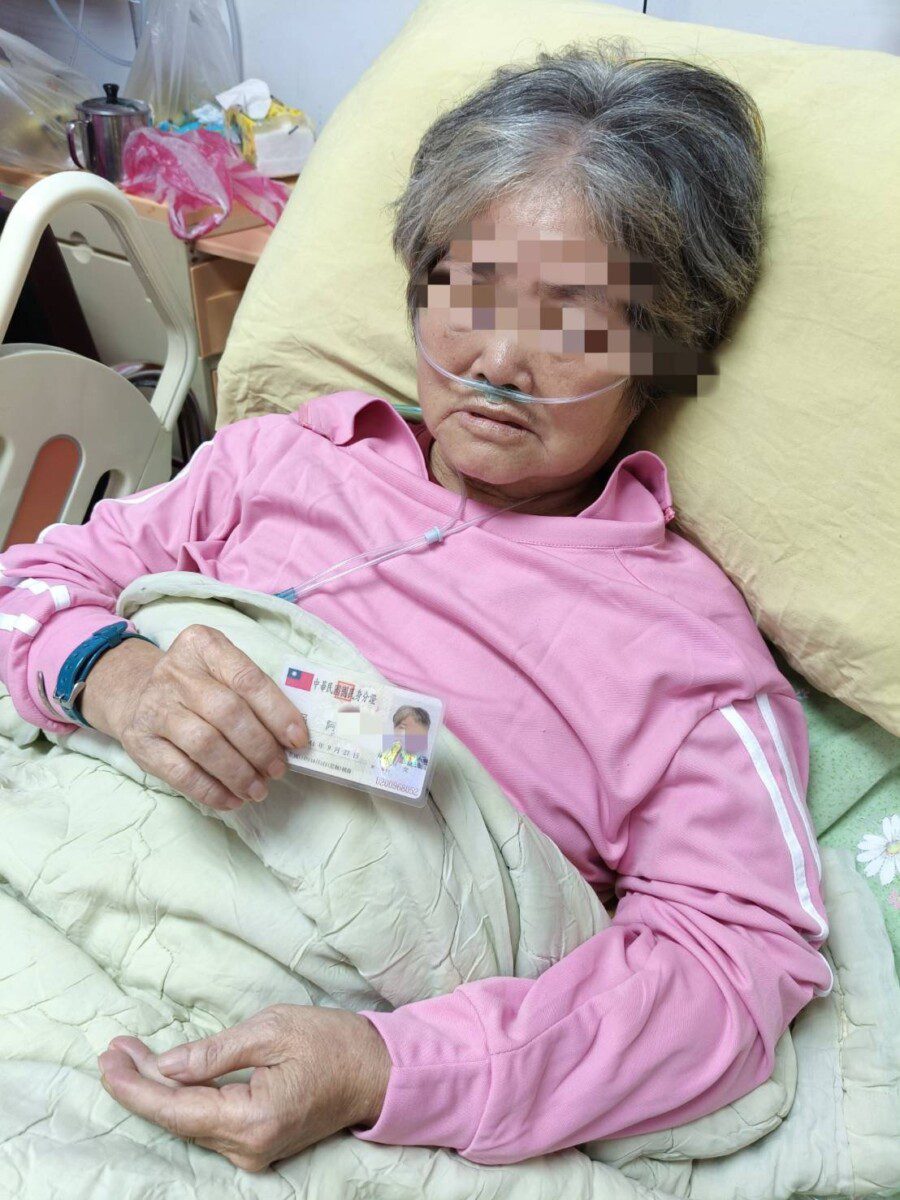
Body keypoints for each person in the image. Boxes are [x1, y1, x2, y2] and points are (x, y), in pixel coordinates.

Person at [0, 42, 832, 1174]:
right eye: (471, 291)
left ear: (664, 353)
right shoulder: (270, 464)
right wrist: (113, 673)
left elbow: (733, 963)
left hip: (287, 1024)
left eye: (575, 321)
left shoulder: (683, 652)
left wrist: (387, 1068)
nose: (500, 360)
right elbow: (31, 585)